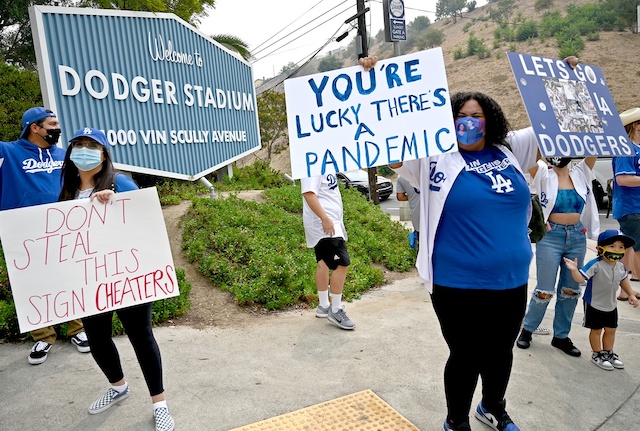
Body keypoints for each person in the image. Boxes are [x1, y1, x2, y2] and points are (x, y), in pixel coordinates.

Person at [391, 91, 539, 431]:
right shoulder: (429, 160)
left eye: (477, 115)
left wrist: (566, 75)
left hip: (513, 277)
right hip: (455, 282)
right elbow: (384, 142)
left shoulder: (511, 149)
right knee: (467, 355)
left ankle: (492, 407)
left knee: (501, 351)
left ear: (491, 120)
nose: (469, 122)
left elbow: (557, 127)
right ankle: (456, 421)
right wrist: (370, 77)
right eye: (460, 116)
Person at [58, 127, 174, 431]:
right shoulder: (67, 190)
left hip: (126, 277)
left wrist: (118, 201)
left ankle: (159, 403)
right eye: (78, 145)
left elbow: (146, 220)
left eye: (91, 145)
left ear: (104, 153)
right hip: (89, 281)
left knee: (141, 336)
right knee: (97, 338)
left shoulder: (119, 182)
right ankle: (118, 385)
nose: (83, 150)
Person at [0, 107, 89, 365]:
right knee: (32, 283)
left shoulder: (63, 154)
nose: (56, 129)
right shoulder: (8, 152)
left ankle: (77, 329)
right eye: (51, 124)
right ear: (34, 127)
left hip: (64, 226)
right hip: (23, 230)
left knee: (71, 277)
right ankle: (42, 335)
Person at [516, 156, 599, 357]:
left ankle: (561, 336)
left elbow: (594, 146)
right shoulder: (543, 171)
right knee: (544, 289)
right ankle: (527, 329)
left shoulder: (581, 172)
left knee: (570, 290)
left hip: (577, 236)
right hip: (551, 236)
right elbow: (530, 154)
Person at [563, 230, 639, 370]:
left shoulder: (621, 266)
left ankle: (608, 353)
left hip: (611, 305)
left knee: (611, 330)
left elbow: (623, 280)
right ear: (599, 249)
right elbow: (580, 278)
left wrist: (631, 294)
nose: (617, 250)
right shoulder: (595, 264)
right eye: (612, 246)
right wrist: (574, 269)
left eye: (621, 247)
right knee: (596, 330)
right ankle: (597, 354)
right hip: (594, 303)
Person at [301, 172, 355, 330]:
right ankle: (336, 309)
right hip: (323, 223)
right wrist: (324, 218)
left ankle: (324, 305)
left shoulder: (325, 162)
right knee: (342, 263)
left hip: (329, 221)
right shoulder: (312, 163)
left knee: (323, 262)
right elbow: (308, 193)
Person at [612, 107, 640, 301]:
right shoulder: (626, 150)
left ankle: (624, 291)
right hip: (632, 208)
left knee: (629, 248)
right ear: (636, 126)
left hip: (633, 207)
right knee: (637, 249)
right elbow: (622, 179)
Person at [396, 175, 420, 250]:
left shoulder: (401, 176)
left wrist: (412, 197)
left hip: (417, 218)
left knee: (421, 247)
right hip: (436, 216)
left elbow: (400, 197)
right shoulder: (431, 170)